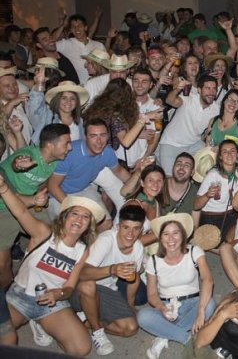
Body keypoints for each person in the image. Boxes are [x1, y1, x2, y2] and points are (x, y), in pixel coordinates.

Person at [1, 175, 106, 357]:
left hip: (52, 303)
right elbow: (21, 213)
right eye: (75, 214)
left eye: (85, 217)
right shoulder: (44, 233)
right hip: (20, 297)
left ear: (89, 225)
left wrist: (58, 294)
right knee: (6, 341)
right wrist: (3, 187)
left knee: (81, 348)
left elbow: (69, 287)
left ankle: (42, 323)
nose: (79, 220)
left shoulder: (82, 251)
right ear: (65, 216)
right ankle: (34, 322)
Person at [0, 124, 71, 289]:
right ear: (50, 145)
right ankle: (5, 293)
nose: (70, 147)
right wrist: (19, 164)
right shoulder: (29, 155)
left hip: (29, 204)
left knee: (50, 237)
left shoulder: (53, 162)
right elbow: (17, 162)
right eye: (66, 143)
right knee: (3, 264)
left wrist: (41, 194)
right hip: (4, 207)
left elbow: (44, 182)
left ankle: (26, 273)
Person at [138, 213, 216, 359]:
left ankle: (164, 335)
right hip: (167, 305)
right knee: (143, 316)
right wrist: (162, 308)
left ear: (183, 235)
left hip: (193, 302)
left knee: (209, 304)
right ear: (160, 238)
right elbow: (152, 295)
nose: (171, 239)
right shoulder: (153, 261)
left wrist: (200, 311)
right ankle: (188, 339)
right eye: (166, 234)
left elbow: (207, 280)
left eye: (175, 233)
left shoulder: (194, 251)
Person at [71, 204, 146, 355]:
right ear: (118, 227)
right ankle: (97, 332)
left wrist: (130, 305)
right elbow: (81, 273)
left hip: (108, 291)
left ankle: (87, 322)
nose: (131, 234)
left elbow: (134, 278)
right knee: (88, 286)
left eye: (136, 229)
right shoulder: (106, 240)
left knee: (131, 328)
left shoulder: (138, 248)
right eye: (126, 228)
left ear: (141, 230)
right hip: (80, 289)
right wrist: (112, 269)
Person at [47, 119, 131, 230]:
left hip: (84, 189)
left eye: (103, 135)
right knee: (70, 229)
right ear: (85, 137)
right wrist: (72, 207)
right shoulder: (70, 153)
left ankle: (89, 245)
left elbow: (120, 172)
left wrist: (138, 188)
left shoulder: (107, 152)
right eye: (93, 136)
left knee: (106, 224)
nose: (99, 141)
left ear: (108, 136)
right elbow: (52, 186)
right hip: (60, 194)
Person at [194, 139, 238, 247]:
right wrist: (207, 195)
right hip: (212, 217)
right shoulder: (213, 175)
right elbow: (195, 205)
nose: (229, 154)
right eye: (225, 152)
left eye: (232, 151)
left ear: (237, 155)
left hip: (231, 216)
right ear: (220, 157)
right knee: (221, 243)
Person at [159, 74, 220, 173]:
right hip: (171, 143)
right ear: (199, 90)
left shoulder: (216, 109)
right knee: (170, 177)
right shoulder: (189, 99)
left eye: (214, 89)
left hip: (194, 145)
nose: (211, 92)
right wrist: (177, 89)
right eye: (208, 88)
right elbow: (169, 100)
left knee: (207, 162)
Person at [28, 74, 88, 145]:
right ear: (57, 100)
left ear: (77, 102)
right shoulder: (47, 117)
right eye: (64, 98)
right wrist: (39, 84)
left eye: (72, 98)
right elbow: (34, 106)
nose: (68, 102)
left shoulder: (81, 122)